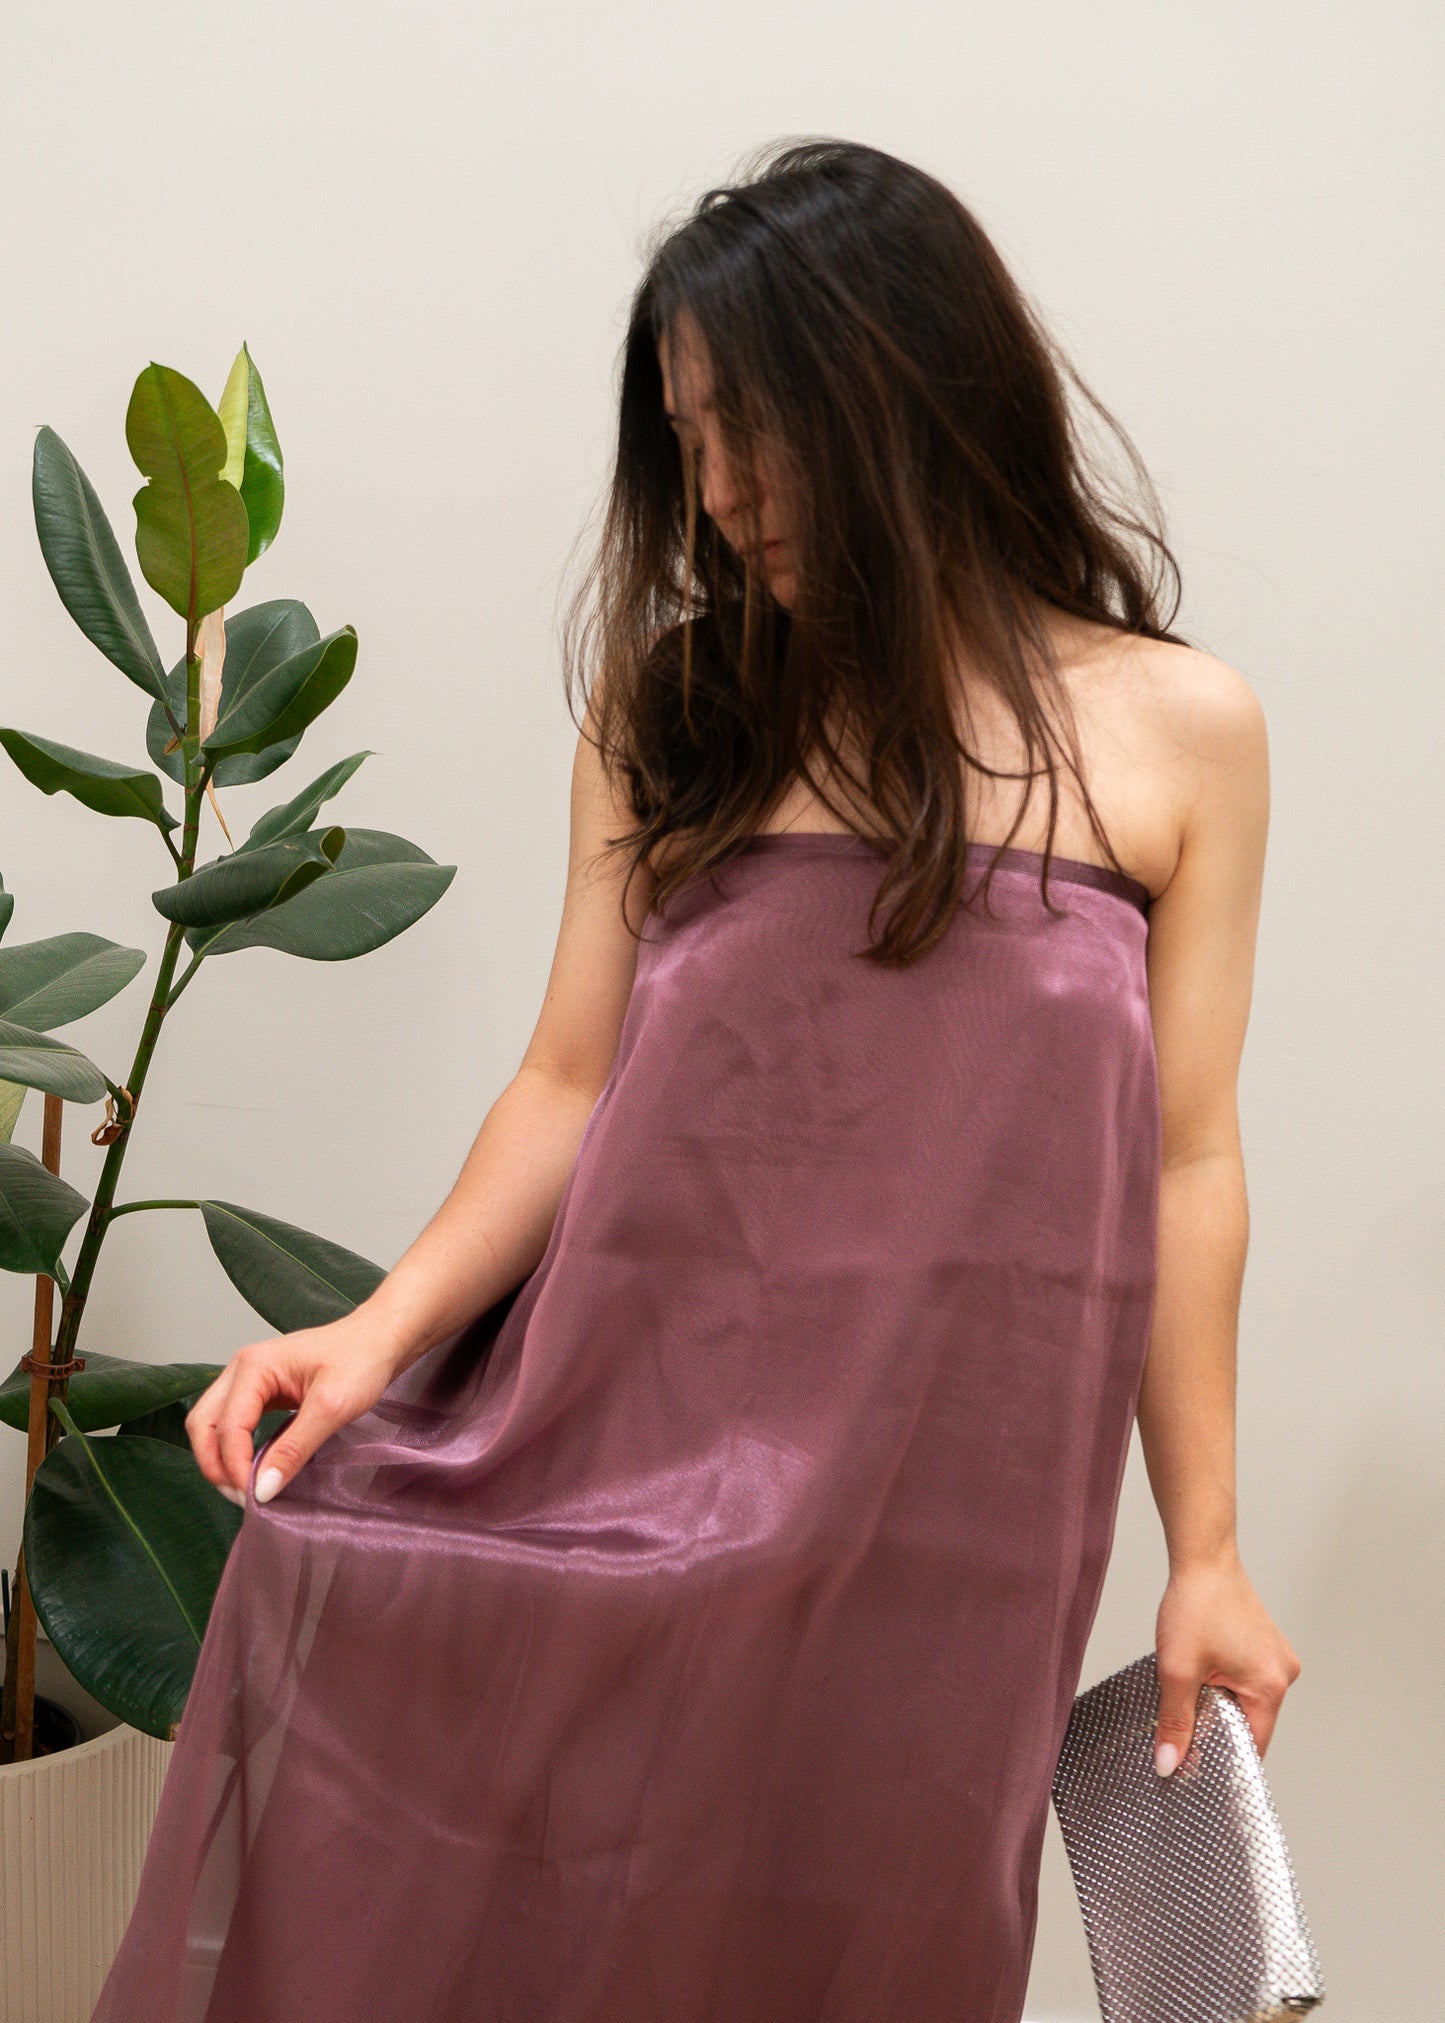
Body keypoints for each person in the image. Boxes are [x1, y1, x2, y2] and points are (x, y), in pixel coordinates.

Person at [92, 138, 1300, 2023]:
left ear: (905, 392)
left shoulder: (1178, 729)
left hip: (952, 1513)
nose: (721, 496)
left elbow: (1184, 1166)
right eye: (689, 441)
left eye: (759, 432)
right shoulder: (677, 708)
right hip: (627, 1441)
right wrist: (379, 1331)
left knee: (871, 1938)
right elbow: (569, 1085)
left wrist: (1206, 1551)